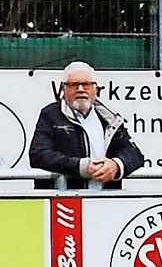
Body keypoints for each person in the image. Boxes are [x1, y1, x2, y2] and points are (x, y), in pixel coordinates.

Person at [30, 61, 144, 190]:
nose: (80, 89)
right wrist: (81, 166)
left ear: (95, 88)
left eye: (86, 84)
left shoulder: (109, 118)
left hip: (107, 201)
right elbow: (38, 155)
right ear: (63, 89)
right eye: (74, 85)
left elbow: (135, 154)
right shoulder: (50, 115)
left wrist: (117, 165)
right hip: (64, 202)